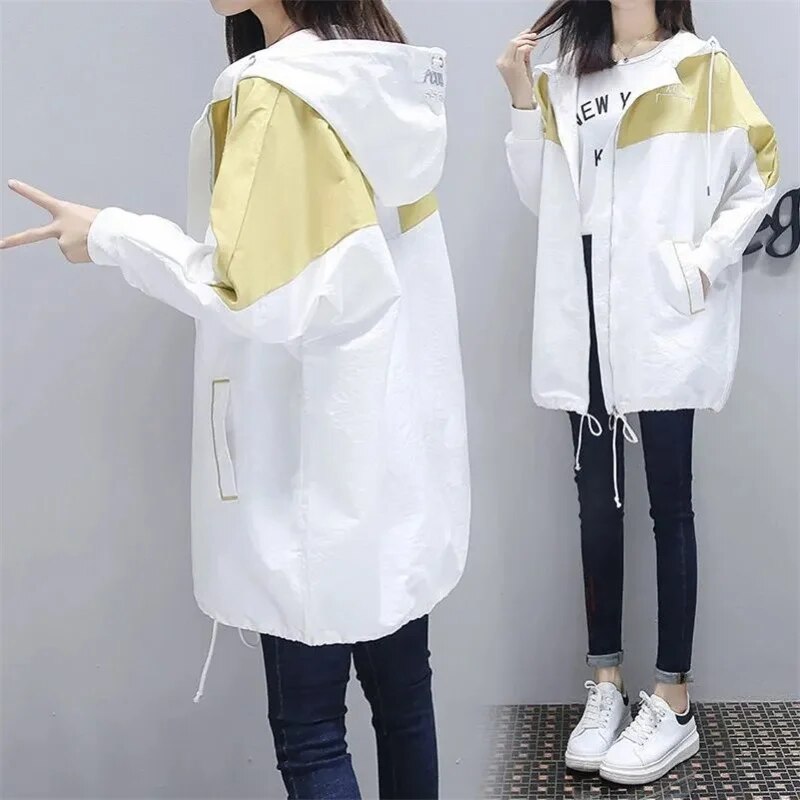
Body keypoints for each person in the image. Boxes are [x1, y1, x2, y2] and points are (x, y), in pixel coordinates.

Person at [0, 2, 470, 798]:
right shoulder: (384, 80)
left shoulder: (276, 90)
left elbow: (251, 293)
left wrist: (109, 234)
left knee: (312, 732)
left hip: (305, 470)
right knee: (403, 701)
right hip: (395, 453)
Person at [497, 0, 777, 786]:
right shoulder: (567, 78)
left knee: (669, 503)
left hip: (655, 315)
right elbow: (543, 195)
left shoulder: (699, 68)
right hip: (581, 310)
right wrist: (520, 95)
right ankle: (606, 686)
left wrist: (700, 265)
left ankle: (675, 699)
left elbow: (759, 169)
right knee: (596, 502)